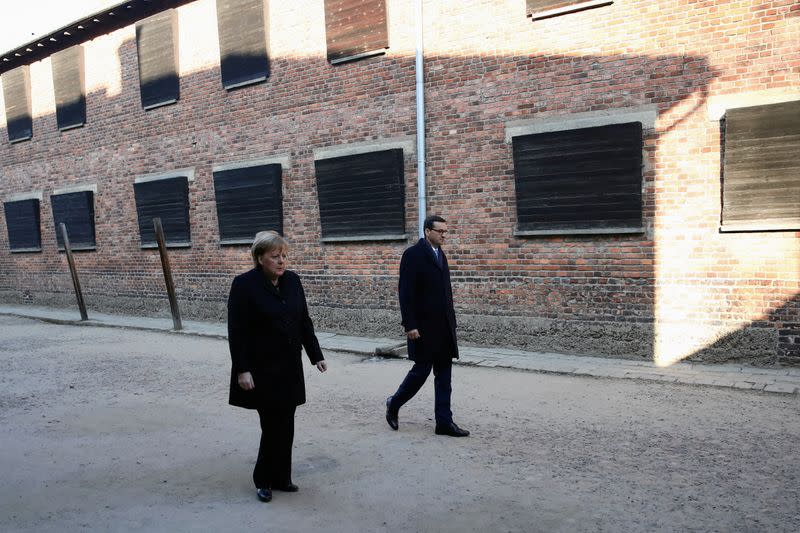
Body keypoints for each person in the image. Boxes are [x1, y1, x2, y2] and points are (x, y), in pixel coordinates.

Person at [227, 230, 328, 503]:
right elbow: (237, 332)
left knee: (287, 422)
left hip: (289, 367)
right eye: (275, 257)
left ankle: (283, 477)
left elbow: (303, 321)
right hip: (261, 369)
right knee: (272, 424)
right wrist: (242, 369)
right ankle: (263, 479)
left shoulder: (293, 281)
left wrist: (315, 354)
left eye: (284, 255)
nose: (281, 261)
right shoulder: (244, 285)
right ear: (260, 258)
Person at [385, 215, 469, 437]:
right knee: (420, 372)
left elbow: (445, 292)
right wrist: (409, 324)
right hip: (422, 327)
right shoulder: (412, 255)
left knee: (444, 376)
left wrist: (452, 321)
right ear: (427, 231)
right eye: (440, 231)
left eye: (446, 231)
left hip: (443, 327)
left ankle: (444, 422)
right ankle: (394, 403)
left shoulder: (441, 255)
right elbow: (406, 293)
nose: (444, 235)